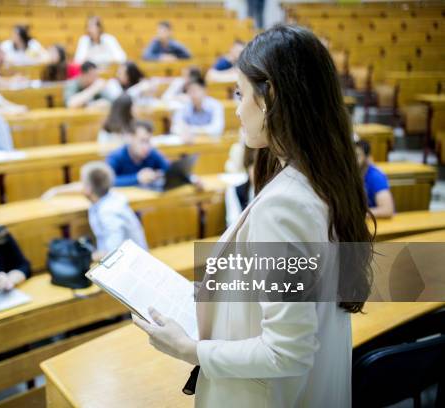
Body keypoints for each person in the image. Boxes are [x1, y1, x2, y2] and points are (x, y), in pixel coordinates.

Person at [133, 25, 374, 408]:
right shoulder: (323, 178)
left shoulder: (286, 204)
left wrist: (189, 349)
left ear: (270, 97)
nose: (235, 106)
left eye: (239, 93)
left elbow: (287, 352)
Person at [81, 161, 148, 260]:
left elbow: (114, 251)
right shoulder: (111, 196)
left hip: (128, 263)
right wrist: (57, 191)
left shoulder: (108, 213)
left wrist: (86, 258)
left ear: (88, 188)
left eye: (82, 183)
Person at [106, 120, 170, 187]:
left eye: (148, 142)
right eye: (142, 141)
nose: (146, 147)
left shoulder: (152, 153)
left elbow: (170, 170)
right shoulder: (116, 156)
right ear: (130, 138)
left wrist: (158, 174)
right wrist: (137, 178)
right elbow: (107, 181)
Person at [355, 139, 395, 218]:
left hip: (379, 222)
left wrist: (358, 214)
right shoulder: (353, 175)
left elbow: (387, 210)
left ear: (367, 158)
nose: (353, 159)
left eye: (357, 155)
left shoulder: (375, 177)